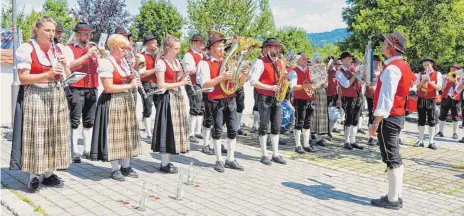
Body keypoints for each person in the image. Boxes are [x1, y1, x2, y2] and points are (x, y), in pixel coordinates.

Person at [10, 16, 72, 191]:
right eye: (47, 30)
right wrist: (48, 73)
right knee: (37, 134)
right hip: (36, 93)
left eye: (53, 31)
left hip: (56, 93)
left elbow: (67, 74)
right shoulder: (26, 48)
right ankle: (34, 175)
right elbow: (23, 78)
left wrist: (65, 65)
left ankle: (49, 173)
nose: (51, 34)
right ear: (37, 30)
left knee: (55, 133)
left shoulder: (58, 48)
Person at [369, 32, 415, 210]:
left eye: (384, 43)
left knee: (391, 157)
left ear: (391, 47)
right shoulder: (403, 66)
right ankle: (395, 194)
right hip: (397, 115)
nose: (381, 46)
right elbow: (402, 89)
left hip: (389, 117)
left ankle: (393, 199)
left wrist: (375, 122)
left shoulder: (391, 69)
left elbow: (386, 99)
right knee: (394, 156)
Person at [90, 34, 141, 181]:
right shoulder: (106, 63)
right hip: (112, 101)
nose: (126, 51)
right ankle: (114, 168)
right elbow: (108, 87)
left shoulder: (125, 62)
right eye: (122, 48)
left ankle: (126, 166)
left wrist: (134, 73)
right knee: (114, 135)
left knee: (127, 133)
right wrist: (130, 85)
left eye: (126, 48)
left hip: (125, 100)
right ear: (113, 48)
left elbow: (131, 79)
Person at [197, 34, 248, 172]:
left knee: (233, 129)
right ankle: (219, 159)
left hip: (230, 98)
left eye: (222, 45)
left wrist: (243, 74)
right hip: (215, 99)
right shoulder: (204, 63)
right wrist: (221, 77)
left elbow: (239, 84)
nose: (222, 48)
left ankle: (230, 159)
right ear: (212, 48)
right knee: (218, 130)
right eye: (219, 46)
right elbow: (205, 84)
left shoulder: (231, 62)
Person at [151, 35, 190, 173]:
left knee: (174, 131)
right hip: (167, 98)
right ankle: (164, 163)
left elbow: (177, 78)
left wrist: (183, 76)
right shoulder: (161, 63)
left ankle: (168, 161)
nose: (178, 51)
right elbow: (161, 84)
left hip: (177, 97)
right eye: (176, 48)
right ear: (168, 48)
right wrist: (180, 82)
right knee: (167, 130)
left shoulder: (176, 62)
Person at [249, 38, 287, 165]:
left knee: (276, 126)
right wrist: (269, 87)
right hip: (264, 97)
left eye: (278, 48)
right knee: (264, 126)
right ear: (269, 49)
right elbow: (253, 81)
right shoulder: (259, 62)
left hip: (276, 98)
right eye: (275, 48)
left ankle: (275, 153)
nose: (278, 50)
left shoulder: (280, 62)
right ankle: (264, 154)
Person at [66, 22, 99, 163]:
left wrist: (98, 56)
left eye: (89, 34)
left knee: (89, 120)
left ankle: (87, 149)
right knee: (75, 121)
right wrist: (87, 55)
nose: (88, 36)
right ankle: (73, 151)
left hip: (92, 88)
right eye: (86, 34)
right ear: (78, 35)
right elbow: (69, 65)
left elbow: (98, 67)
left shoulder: (91, 49)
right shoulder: (69, 49)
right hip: (76, 87)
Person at [336, 52, 364, 150]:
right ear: (342, 60)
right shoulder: (339, 72)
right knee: (348, 118)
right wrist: (355, 75)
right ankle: (346, 141)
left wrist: (361, 76)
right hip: (348, 98)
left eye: (350, 59)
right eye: (348, 58)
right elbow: (346, 84)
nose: (350, 60)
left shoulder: (352, 70)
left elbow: (361, 82)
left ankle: (353, 140)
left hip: (357, 96)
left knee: (355, 119)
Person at [289, 52, 316, 153]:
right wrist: (304, 87)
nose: (306, 61)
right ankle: (297, 145)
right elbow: (293, 87)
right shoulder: (294, 72)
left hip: (309, 98)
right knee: (299, 122)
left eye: (306, 59)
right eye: (304, 59)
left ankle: (306, 144)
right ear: (297, 60)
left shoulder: (309, 70)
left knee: (307, 122)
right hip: (300, 99)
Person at [415, 57, 442, 149]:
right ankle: (420, 140)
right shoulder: (420, 74)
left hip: (431, 99)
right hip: (421, 99)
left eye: (427, 65)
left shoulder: (437, 74)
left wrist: (429, 82)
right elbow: (417, 88)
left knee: (432, 120)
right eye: (424, 65)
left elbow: (439, 88)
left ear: (432, 65)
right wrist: (422, 81)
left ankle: (431, 141)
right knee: (421, 120)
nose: (426, 66)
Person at [183, 34, 206, 144]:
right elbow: (189, 70)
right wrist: (202, 67)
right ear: (194, 43)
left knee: (201, 107)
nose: (202, 44)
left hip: (201, 83)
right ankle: (190, 133)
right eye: (200, 42)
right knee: (195, 107)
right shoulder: (189, 55)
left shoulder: (201, 55)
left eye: (202, 42)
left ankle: (198, 131)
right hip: (192, 83)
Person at [139, 34, 159, 140]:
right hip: (146, 84)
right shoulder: (142, 56)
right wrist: (155, 69)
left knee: (159, 108)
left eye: (156, 42)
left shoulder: (157, 55)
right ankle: (148, 133)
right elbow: (141, 74)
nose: (156, 44)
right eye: (154, 42)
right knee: (148, 109)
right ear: (147, 44)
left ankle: (157, 131)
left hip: (158, 84)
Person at [436, 63, 462, 140]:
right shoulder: (446, 76)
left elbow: (459, 87)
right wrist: (446, 80)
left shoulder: (460, 78)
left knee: (455, 116)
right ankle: (440, 132)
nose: (452, 70)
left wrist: (454, 79)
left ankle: (455, 133)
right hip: (446, 97)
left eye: (454, 69)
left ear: (458, 70)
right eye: (451, 68)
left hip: (456, 98)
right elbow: (442, 88)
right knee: (442, 115)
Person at [310, 54, 329, 146]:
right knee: (312, 114)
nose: (319, 63)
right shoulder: (310, 70)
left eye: (320, 61)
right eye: (317, 61)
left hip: (321, 92)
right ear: (313, 61)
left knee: (321, 115)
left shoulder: (323, 70)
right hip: (312, 91)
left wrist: (325, 76)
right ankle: (309, 136)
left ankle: (319, 138)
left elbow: (326, 85)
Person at [365, 55, 383, 145]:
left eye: (378, 62)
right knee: (372, 115)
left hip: (380, 95)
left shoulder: (382, 71)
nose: (377, 64)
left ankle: (379, 135)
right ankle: (370, 137)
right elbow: (367, 82)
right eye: (375, 62)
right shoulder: (370, 72)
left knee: (380, 115)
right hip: (371, 95)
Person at [327, 59, 342, 135]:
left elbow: (339, 87)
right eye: (336, 65)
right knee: (328, 116)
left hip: (335, 97)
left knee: (336, 116)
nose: (338, 66)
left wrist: (339, 98)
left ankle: (330, 131)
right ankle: (328, 131)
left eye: (339, 65)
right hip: (327, 96)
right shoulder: (328, 73)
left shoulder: (340, 74)